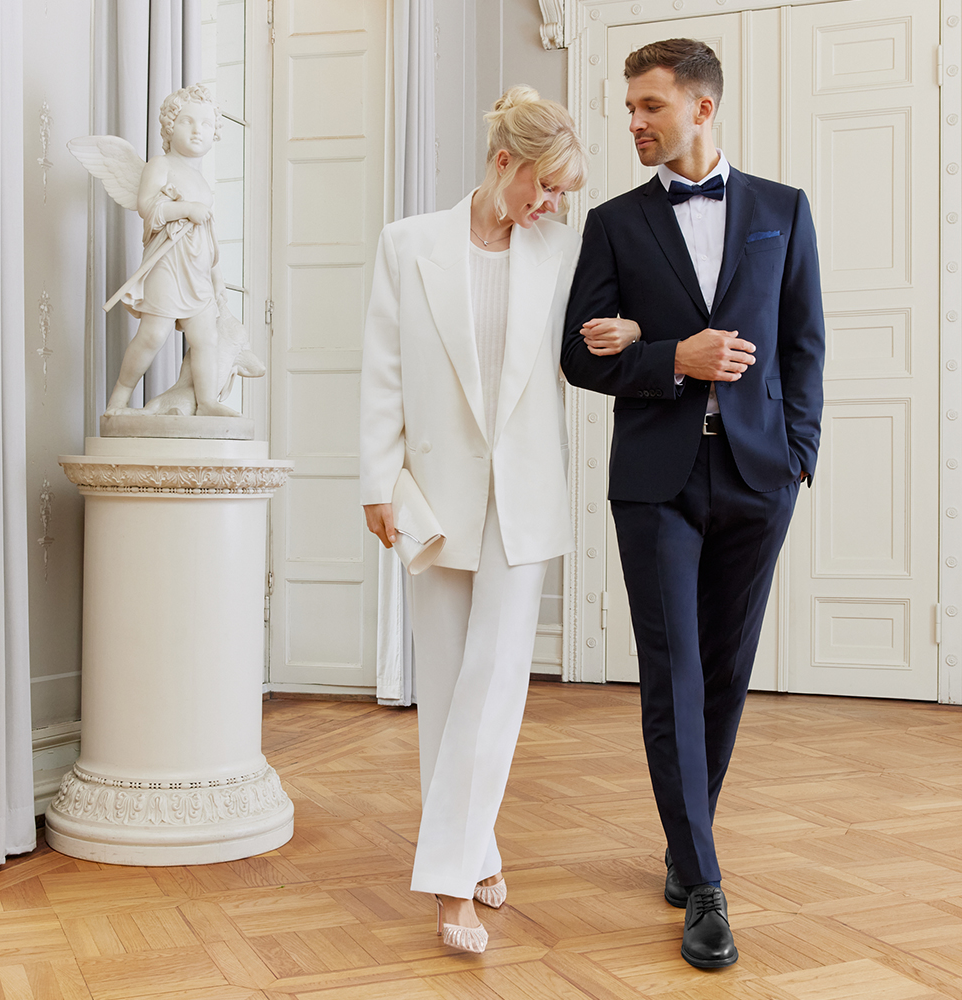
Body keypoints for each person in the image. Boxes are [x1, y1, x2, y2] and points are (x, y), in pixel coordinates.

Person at [559, 38, 826, 970]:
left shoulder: (782, 211)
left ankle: (685, 840)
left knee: (725, 674)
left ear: (702, 108)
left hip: (759, 476)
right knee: (671, 675)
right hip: (655, 485)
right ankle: (705, 883)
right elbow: (580, 356)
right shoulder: (612, 223)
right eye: (628, 107)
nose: (632, 122)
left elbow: (803, 346)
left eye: (649, 107)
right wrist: (673, 356)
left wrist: (801, 455)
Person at [358, 86, 589, 954]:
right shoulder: (408, 245)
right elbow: (381, 369)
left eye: (563, 192)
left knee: (494, 681)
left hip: (524, 496)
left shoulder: (559, 250)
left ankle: (451, 885)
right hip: (436, 496)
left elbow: (580, 345)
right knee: (450, 686)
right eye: (547, 185)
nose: (554, 203)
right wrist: (377, 481)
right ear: (505, 164)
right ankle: (478, 847)